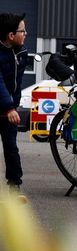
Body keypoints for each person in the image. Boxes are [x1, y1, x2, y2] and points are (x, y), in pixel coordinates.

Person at [0, 13, 29, 192]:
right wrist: (9, 107)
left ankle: (14, 184)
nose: (26, 33)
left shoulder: (21, 52)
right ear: (11, 35)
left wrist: (13, 106)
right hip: (7, 108)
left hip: (9, 110)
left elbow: (15, 85)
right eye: (22, 31)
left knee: (11, 148)